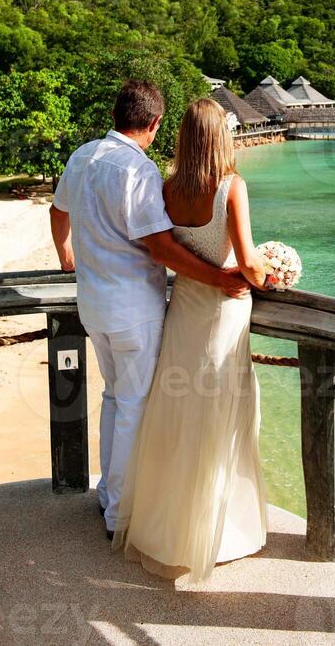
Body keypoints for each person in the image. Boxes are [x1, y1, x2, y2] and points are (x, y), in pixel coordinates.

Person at [50, 81, 249, 539]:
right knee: (134, 406)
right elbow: (160, 248)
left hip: (92, 305)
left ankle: (107, 497)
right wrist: (220, 278)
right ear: (155, 124)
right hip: (133, 310)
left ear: (118, 114)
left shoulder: (83, 156)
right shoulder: (137, 170)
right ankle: (119, 515)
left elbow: (58, 212)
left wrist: (65, 256)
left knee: (113, 398)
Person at [113, 97, 268, 583]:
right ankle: (220, 533)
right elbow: (247, 261)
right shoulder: (232, 187)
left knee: (179, 416)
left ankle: (167, 528)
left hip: (183, 312)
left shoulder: (167, 188)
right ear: (221, 136)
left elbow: (164, 251)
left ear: (181, 135)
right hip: (222, 315)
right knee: (220, 419)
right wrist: (272, 270)